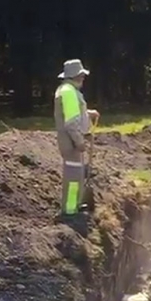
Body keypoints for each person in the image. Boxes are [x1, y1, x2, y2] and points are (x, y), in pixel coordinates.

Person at [54, 59, 100, 216]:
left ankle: (76, 205)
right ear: (75, 76)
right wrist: (80, 142)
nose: (83, 78)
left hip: (71, 141)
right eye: (81, 75)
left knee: (77, 175)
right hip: (71, 142)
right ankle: (70, 211)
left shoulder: (68, 90)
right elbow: (71, 123)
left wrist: (89, 113)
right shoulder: (68, 93)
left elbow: (75, 115)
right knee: (73, 178)